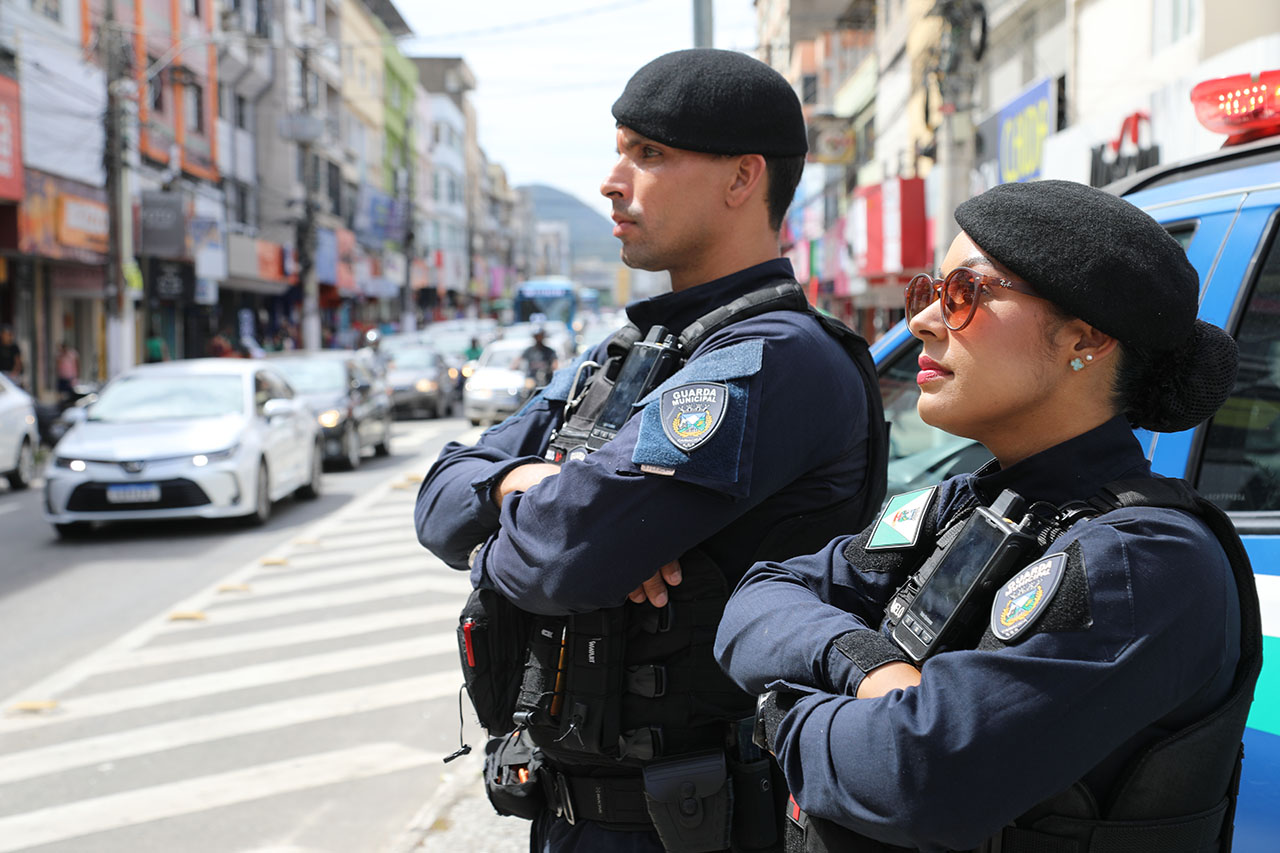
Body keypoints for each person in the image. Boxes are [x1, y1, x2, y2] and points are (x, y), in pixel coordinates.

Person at [415, 48, 888, 853]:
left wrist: (558, 527)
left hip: (696, 819)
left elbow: (563, 556)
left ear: (743, 179)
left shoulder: (774, 356)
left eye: (650, 154)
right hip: (578, 807)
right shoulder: (634, 351)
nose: (612, 179)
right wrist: (526, 488)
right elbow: (438, 499)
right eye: (620, 149)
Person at [715, 180, 1261, 852]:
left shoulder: (1142, 559)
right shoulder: (962, 503)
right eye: (930, 290)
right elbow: (758, 597)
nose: (922, 320)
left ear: (1083, 338)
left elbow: (913, 774)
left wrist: (779, 710)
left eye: (965, 294)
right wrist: (864, 664)